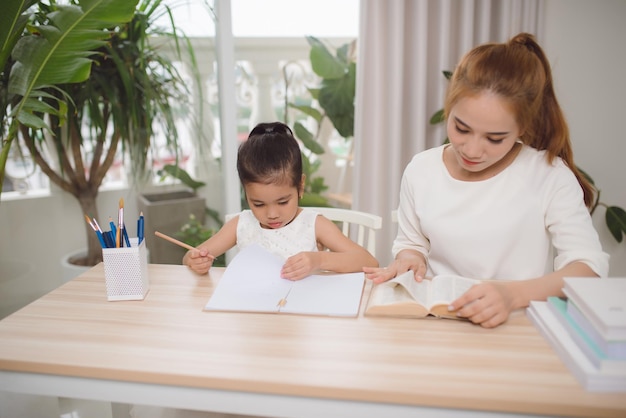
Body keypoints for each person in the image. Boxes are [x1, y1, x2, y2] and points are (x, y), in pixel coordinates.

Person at [363, 33, 609, 328]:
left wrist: (512, 295)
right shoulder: (422, 169)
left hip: (519, 327)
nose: (472, 150)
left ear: (523, 126)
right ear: (449, 106)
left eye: (495, 138)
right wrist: (410, 257)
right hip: (439, 324)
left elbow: (588, 268)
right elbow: (411, 242)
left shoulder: (549, 175)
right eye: (461, 128)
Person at [184, 121, 378, 280]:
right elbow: (192, 255)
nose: (272, 214)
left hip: (301, 315)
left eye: (283, 202)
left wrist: (318, 260)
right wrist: (194, 260)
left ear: (300, 186)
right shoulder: (241, 225)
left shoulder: (314, 224)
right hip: (253, 315)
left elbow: (368, 261)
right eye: (258, 204)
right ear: (246, 193)